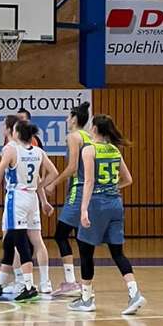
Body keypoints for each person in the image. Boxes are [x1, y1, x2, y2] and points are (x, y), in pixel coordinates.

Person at [0, 119, 56, 303]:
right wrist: (38, 185)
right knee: (10, 241)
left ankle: (29, 286)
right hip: (32, 197)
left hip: (17, 198)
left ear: (16, 133)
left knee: (19, 242)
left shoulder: (11, 149)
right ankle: (0, 283)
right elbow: (54, 173)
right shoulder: (38, 151)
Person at [68, 114, 145, 315]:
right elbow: (128, 179)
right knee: (118, 252)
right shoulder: (114, 150)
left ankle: (87, 298)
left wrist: (83, 208)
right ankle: (134, 293)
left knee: (85, 251)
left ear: (94, 129)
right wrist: (112, 188)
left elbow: (89, 181)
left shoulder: (89, 149)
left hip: (97, 204)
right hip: (115, 203)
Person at [42, 101, 92, 297]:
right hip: (88, 191)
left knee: (61, 234)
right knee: (82, 238)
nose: (65, 120)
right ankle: (85, 285)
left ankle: (72, 282)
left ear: (74, 119)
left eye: (68, 116)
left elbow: (72, 168)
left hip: (77, 190)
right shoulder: (89, 136)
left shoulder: (73, 137)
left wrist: (54, 183)